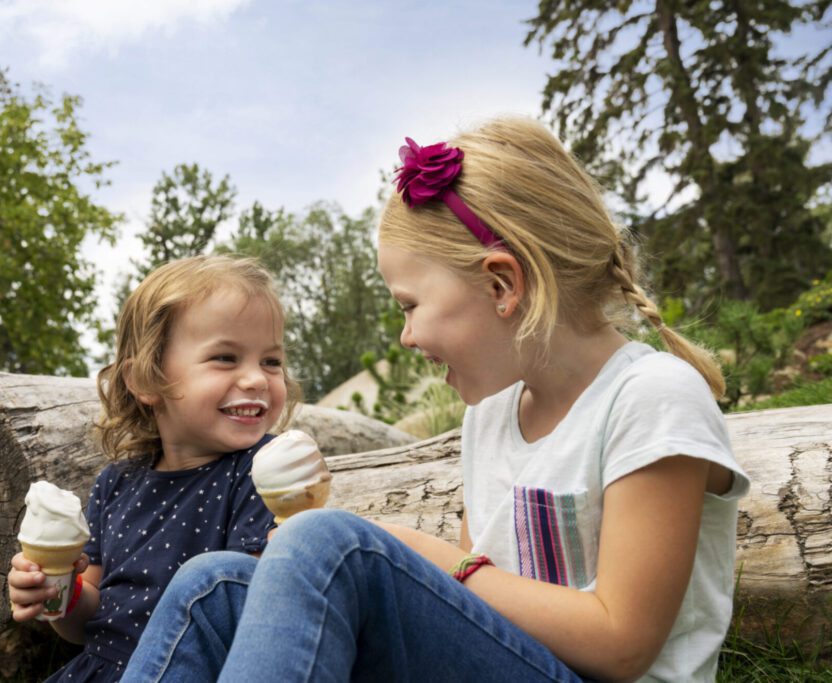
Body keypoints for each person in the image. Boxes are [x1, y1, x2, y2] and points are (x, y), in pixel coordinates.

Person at [118, 117, 750, 683]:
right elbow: (483, 611)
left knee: (327, 544)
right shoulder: (493, 416)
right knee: (212, 584)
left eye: (411, 306)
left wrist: (422, 555)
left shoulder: (651, 396)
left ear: (502, 283)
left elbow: (621, 645)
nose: (407, 335)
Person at [6, 255, 299, 682]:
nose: (257, 378)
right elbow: (85, 627)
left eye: (271, 361)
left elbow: (247, 613)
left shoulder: (263, 472)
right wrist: (59, 596)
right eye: (225, 357)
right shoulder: (115, 483)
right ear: (145, 379)